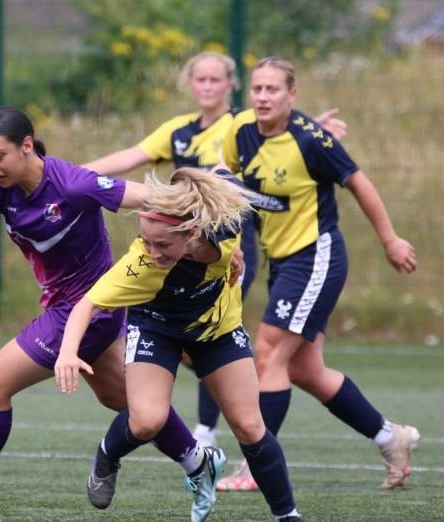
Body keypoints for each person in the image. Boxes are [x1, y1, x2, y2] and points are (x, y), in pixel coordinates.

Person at [0, 106, 214, 522]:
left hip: (88, 309)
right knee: (126, 401)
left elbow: (154, 200)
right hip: (67, 308)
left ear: (27, 146)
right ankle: (199, 461)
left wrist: (216, 239)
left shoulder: (73, 184)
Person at [84, 50, 347, 449]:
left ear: (230, 85)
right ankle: (203, 415)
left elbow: (287, 134)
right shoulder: (179, 130)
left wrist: (312, 128)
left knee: (213, 329)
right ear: (190, 85)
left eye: (215, 80)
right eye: (200, 80)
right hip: (176, 250)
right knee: (191, 339)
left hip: (225, 250)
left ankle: (206, 431)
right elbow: (131, 156)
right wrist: (71, 174)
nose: (207, 87)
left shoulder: (242, 126)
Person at [54, 167, 315, 522]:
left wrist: (234, 257)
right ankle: (106, 455)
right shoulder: (140, 266)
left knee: (249, 426)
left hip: (217, 331)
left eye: (162, 245)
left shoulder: (223, 229)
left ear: (192, 232)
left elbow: (222, 177)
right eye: (146, 240)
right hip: (156, 328)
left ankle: (288, 517)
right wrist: (68, 352)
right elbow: (87, 305)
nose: (152, 251)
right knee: (147, 420)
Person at [216, 56, 420, 493]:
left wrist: (390, 240)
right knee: (305, 369)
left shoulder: (312, 140)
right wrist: (229, 245)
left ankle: (256, 467)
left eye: (273, 89)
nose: (263, 97)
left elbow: (360, 183)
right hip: (282, 261)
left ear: (293, 95)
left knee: (268, 354)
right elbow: (227, 182)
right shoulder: (240, 131)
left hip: (316, 257)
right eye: (257, 89)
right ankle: (391, 437)